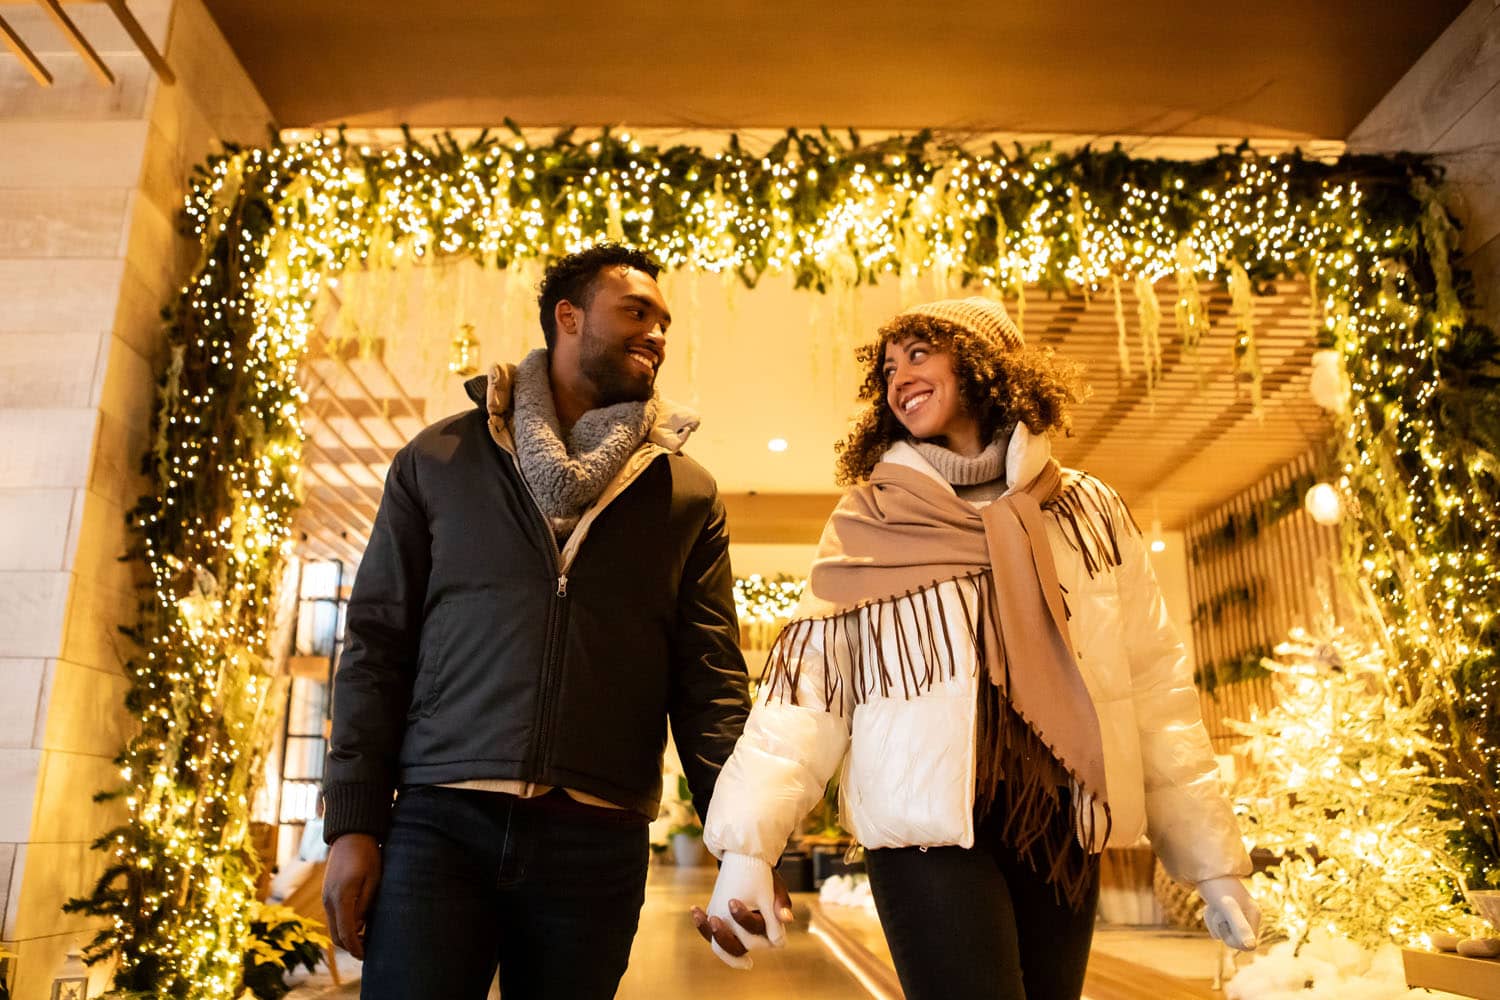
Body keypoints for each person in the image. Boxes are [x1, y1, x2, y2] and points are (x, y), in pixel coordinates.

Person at [692, 297, 1260, 999]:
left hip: (1060, 826)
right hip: (923, 834)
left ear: (989, 365)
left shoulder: (1086, 513)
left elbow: (1155, 691)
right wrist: (748, 849)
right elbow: (804, 699)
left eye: (921, 353)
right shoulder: (870, 520)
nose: (900, 377)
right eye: (889, 368)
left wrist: (1213, 864)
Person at [321, 243, 759, 999]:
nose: (658, 332)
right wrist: (352, 823)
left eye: (665, 321)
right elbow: (376, 646)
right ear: (568, 317)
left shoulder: (685, 493)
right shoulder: (441, 459)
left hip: (598, 838)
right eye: (636, 311)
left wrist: (743, 845)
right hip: (438, 824)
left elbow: (710, 681)